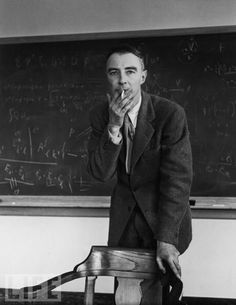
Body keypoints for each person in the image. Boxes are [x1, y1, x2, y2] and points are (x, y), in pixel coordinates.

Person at [87, 45, 192, 304]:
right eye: (114, 73)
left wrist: (166, 238)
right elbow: (101, 173)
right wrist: (113, 126)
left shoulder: (170, 114)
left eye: (130, 71)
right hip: (124, 220)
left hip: (162, 217)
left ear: (143, 76)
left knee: (155, 292)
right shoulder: (100, 115)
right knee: (125, 295)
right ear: (107, 77)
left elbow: (176, 181)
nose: (122, 80)